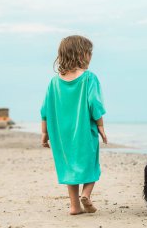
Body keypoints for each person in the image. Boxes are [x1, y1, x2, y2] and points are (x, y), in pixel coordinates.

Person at [40, 35, 108, 215]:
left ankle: (74, 206)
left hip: (61, 135)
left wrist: (44, 133)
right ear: (81, 54)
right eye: (89, 53)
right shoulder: (89, 78)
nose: (91, 57)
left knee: (69, 167)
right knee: (91, 165)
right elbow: (95, 105)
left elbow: (45, 110)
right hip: (84, 131)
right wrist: (101, 127)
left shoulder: (54, 82)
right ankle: (86, 195)